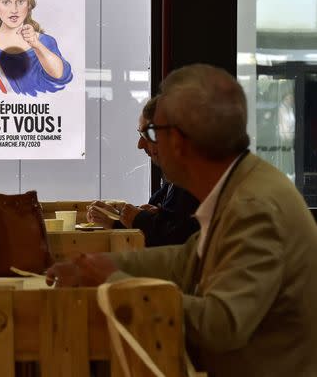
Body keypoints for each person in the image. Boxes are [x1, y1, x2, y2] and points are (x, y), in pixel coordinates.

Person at [46, 64, 317, 376]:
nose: (141, 145)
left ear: (177, 140)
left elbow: (221, 325)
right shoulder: (242, 186)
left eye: (150, 133)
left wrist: (114, 283)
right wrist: (99, 265)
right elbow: (188, 258)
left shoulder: (253, 206)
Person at [87, 96, 200, 246]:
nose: (140, 145)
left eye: (147, 135)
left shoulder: (196, 178)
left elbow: (181, 240)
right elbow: (164, 221)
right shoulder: (175, 176)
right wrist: (114, 219)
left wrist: (139, 218)